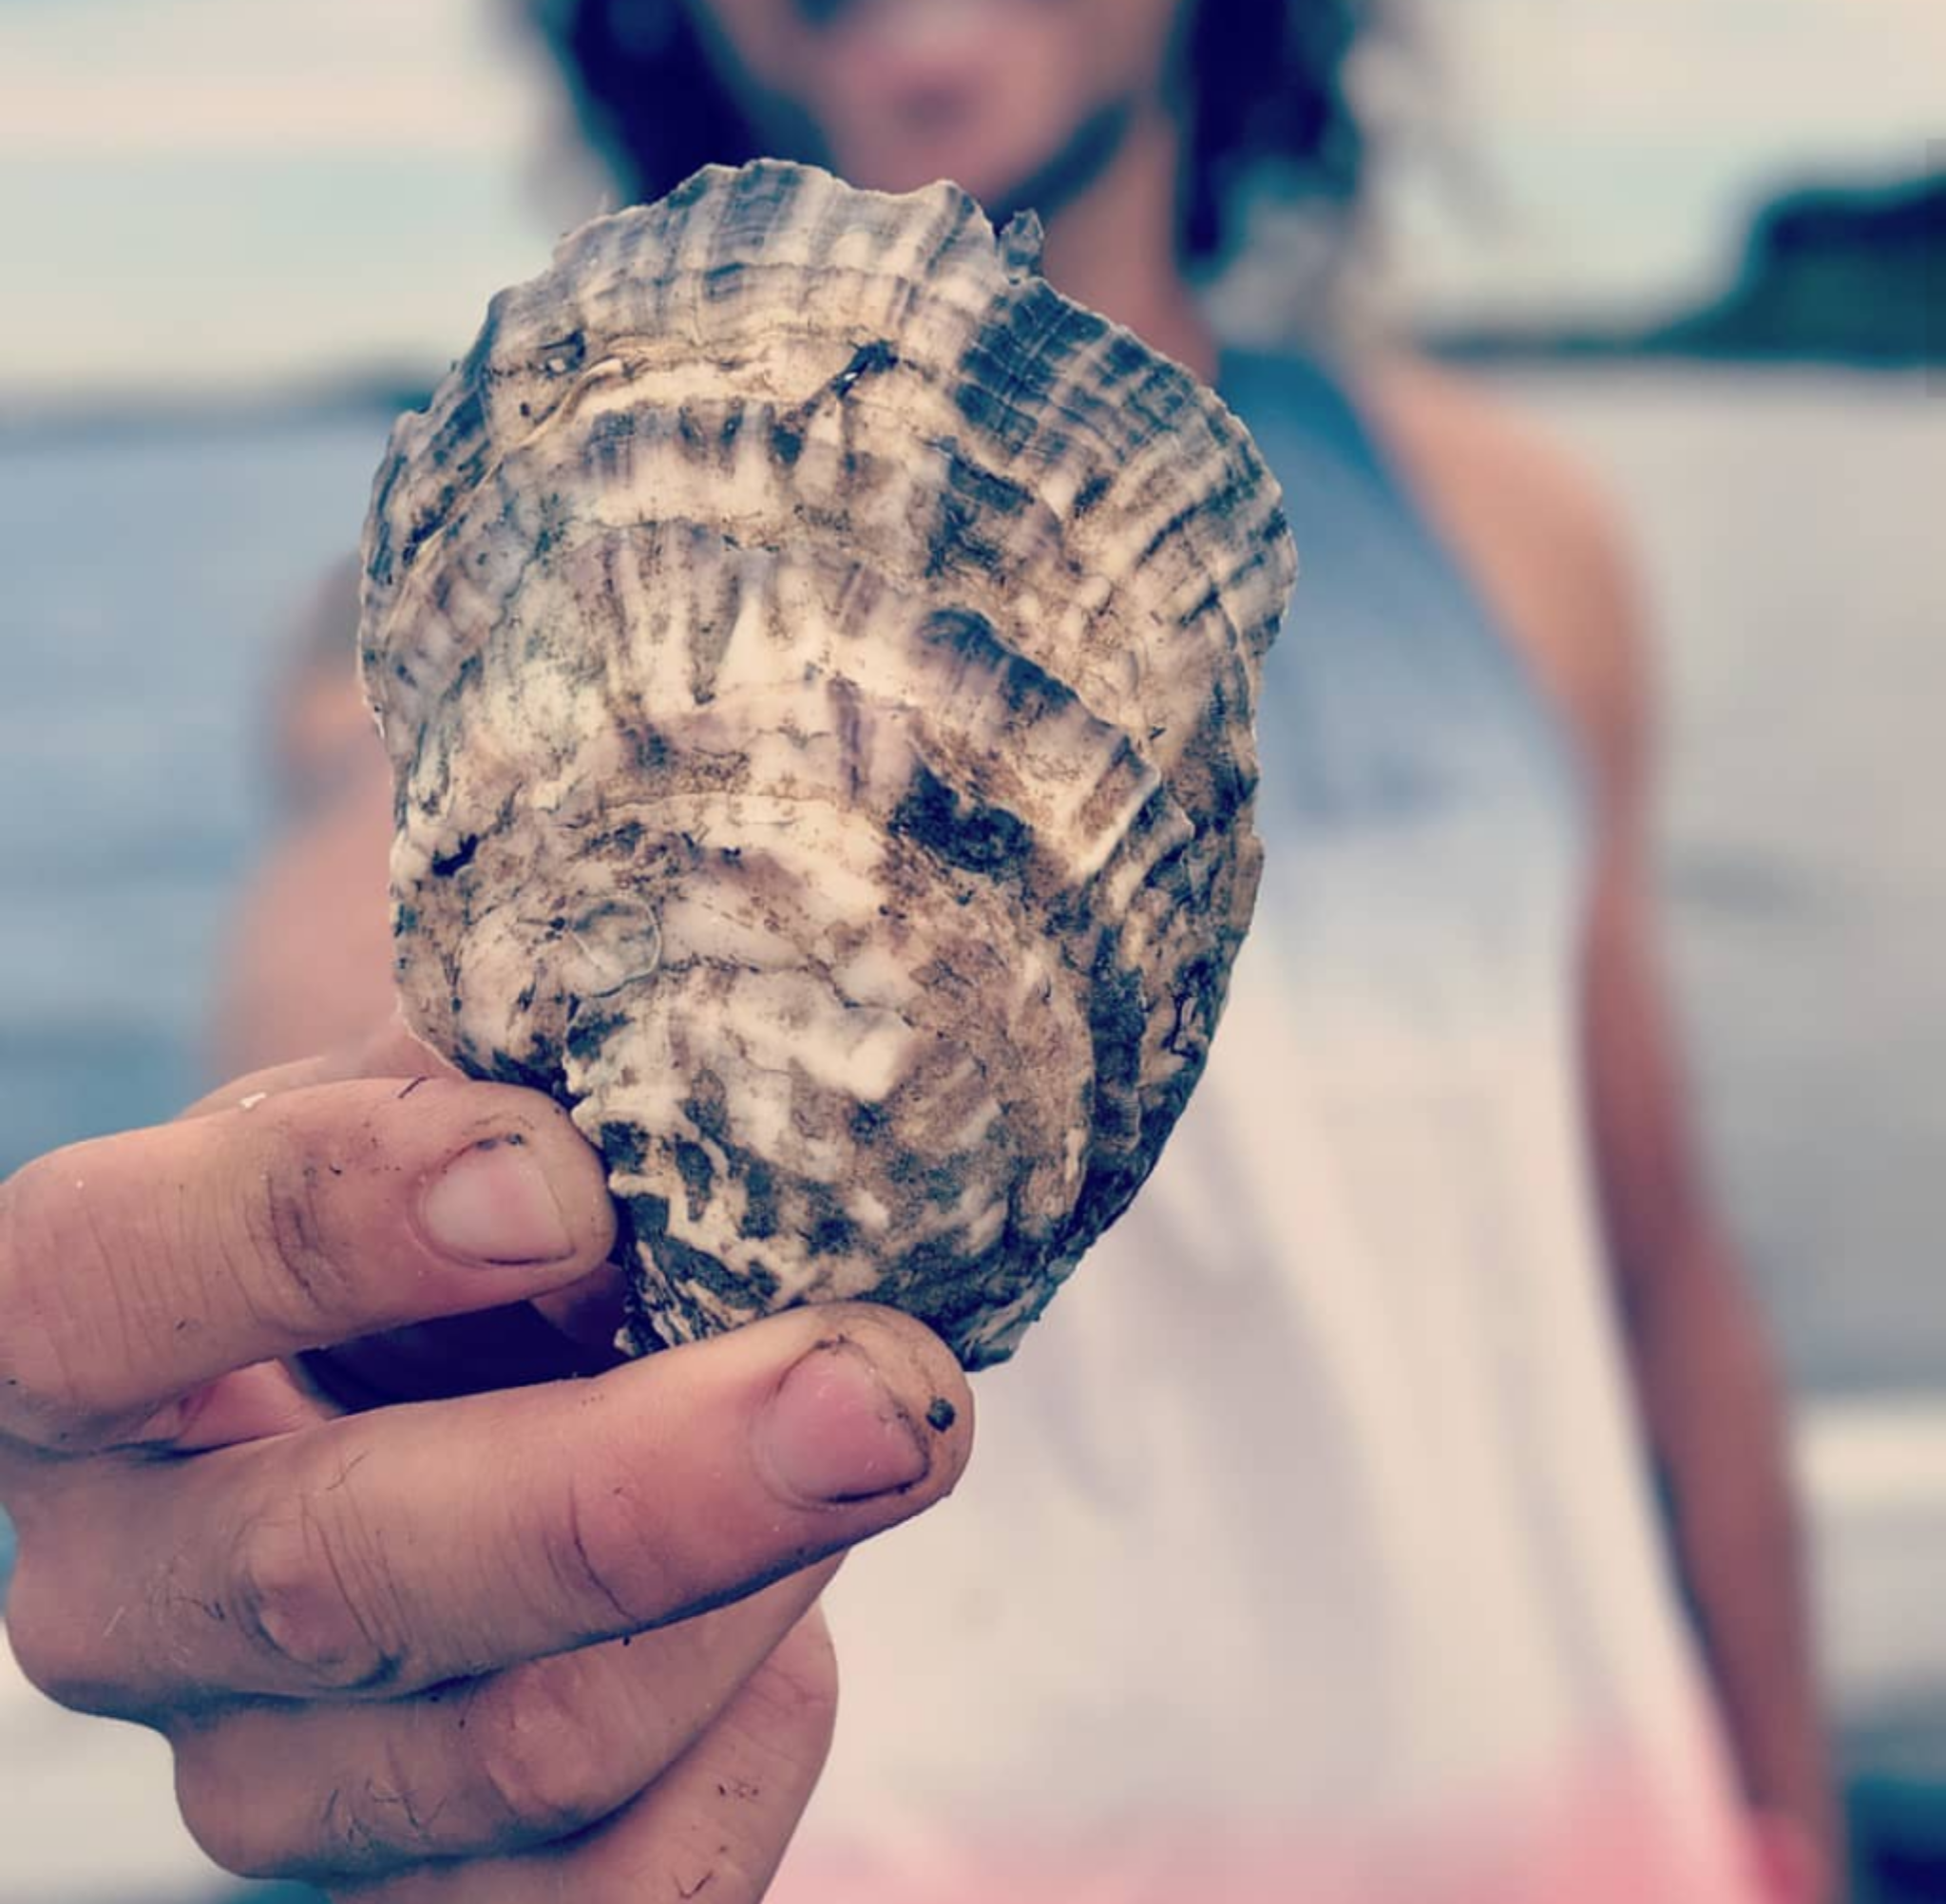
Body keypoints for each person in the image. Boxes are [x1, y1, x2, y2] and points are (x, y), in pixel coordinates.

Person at [0, 2, 1836, 1900]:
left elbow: (1664, 1290)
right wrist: (307, 1357)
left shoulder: (1517, 543)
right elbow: (345, 1027)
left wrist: (1783, 1832)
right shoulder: (459, 639)